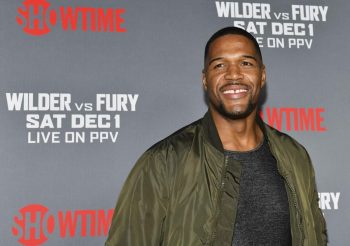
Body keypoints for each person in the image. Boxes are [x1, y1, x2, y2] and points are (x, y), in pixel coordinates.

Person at [105, 27, 327, 246]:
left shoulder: (295, 156)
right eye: (220, 65)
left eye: (246, 63)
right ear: (205, 80)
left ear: (262, 75)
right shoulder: (163, 162)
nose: (233, 75)